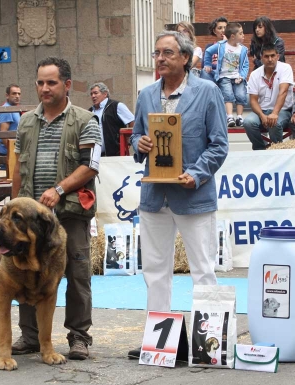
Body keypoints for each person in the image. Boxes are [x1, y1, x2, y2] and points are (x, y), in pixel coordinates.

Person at [127, 30, 229, 358]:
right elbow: (138, 138)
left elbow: (219, 144)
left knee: (203, 269)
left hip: (194, 196)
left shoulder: (208, 91)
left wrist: (196, 174)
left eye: (167, 53)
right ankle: (160, 345)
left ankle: (208, 347)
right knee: (155, 272)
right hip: (155, 197)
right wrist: (137, 144)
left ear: (185, 58)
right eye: (157, 53)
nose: (160, 59)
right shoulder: (145, 95)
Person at [11, 57, 102, 361]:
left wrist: (60, 189)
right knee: (25, 273)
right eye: (40, 82)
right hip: (29, 220)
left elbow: (90, 166)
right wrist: (11, 210)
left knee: (77, 274)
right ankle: (30, 336)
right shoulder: (25, 122)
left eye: (51, 82)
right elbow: (18, 171)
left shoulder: (86, 120)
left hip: (70, 215)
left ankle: (79, 337)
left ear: (66, 85)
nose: (44, 88)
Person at [244, 43, 294, 150]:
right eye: (266, 56)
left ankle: (277, 152)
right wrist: (262, 115)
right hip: (261, 111)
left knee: (274, 123)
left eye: (272, 56)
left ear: (278, 56)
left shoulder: (285, 68)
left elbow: (283, 91)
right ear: (261, 57)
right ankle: (261, 151)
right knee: (248, 122)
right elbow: (253, 100)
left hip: (283, 111)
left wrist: (275, 113)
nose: (270, 59)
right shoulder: (255, 74)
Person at [203, 22, 249, 127]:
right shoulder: (221, 46)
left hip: (238, 76)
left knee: (241, 95)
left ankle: (240, 117)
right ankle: (229, 116)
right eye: (241, 33)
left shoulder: (243, 49)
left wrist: (242, 76)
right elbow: (208, 52)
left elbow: (245, 65)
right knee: (227, 95)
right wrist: (208, 64)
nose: (243, 36)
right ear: (233, 36)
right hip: (224, 76)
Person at [88, 82, 135, 156]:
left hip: (114, 154)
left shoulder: (116, 106)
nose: (93, 96)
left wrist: (128, 142)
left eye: (95, 93)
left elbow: (132, 122)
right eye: (91, 94)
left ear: (105, 94)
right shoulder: (90, 111)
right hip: (95, 156)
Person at [200, 16, 228, 82]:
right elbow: (204, 64)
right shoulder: (209, 47)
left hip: (226, 75)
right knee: (204, 72)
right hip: (212, 75)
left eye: (225, 28)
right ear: (214, 31)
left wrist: (225, 44)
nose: (223, 30)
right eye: (220, 28)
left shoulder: (232, 46)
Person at [0, 84, 22, 156]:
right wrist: (12, 152)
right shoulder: (7, 109)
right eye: (14, 93)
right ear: (7, 95)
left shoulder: (13, 108)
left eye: (19, 94)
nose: (17, 96)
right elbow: (3, 134)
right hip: (7, 153)